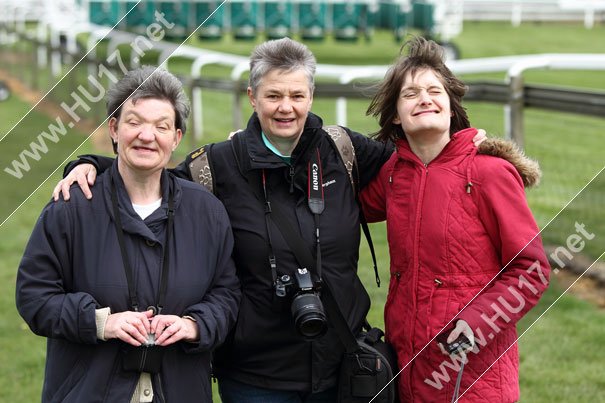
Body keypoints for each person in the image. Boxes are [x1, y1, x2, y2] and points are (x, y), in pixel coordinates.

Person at [53, 38, 490, 402]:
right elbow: (154, 175)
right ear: (252, 97)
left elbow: (420, 164)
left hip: (343, 367)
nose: (286, 108)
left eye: (297, 96)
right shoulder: (217, 167)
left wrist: (471, 146)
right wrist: (91, 163)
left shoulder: (342, 151)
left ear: (311, 97)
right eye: (274, 95)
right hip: (254, 377)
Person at [16, 66, 241, 402]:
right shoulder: (70, 208)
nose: (146, 135)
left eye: (161, 126)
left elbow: (227, 294)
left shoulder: (207, 212)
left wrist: (195, 325)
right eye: (134, 122)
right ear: (114, 129)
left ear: (176, 137)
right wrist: (98, 323)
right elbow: (34, 296)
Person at [360, 36, 551, 402]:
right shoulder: (393, 175)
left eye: (435, 91)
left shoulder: (490, 173)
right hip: (408, 368)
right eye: (411, 93)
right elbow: (340, 202)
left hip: (474, 369)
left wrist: (477, 323)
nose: (425, 98)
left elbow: (531, 269)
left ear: (450, 109)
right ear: (397, 114)